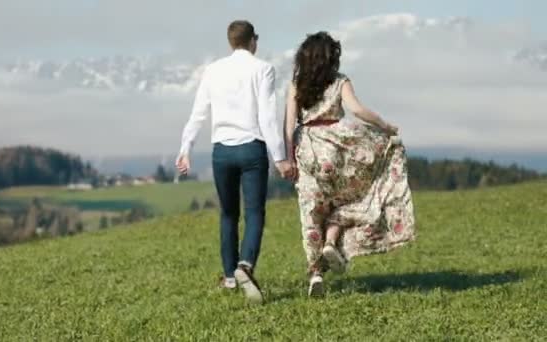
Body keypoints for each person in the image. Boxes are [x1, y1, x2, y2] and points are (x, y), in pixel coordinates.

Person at [283, 32, 416, 297]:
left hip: (309, 151)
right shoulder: (340, 81)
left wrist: (288, 158)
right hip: (338, 148)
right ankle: (332, 242)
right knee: (351, 200)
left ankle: (316, 274)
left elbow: (288, 125)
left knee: (312, 212)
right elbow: (357, 110)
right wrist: (385, 126)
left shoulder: (296, 84)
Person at [176, 20, 294, 304]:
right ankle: (246, 266)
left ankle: (230, 277)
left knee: (229, 214)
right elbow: (267, 116)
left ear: (230, 41)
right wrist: (280, 157)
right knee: (255, 212)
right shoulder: (263, 69)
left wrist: (185, 149)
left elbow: (198, 113)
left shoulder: (213, 70)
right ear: (254, 40)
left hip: (222, 153)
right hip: (252, 150)